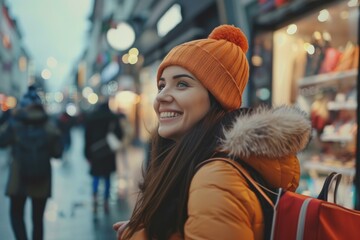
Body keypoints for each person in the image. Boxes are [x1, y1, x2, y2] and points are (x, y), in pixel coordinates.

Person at [113, 24, 312, 240]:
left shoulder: (216, 179)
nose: (161, 97)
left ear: (217, 99)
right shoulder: (194, 162)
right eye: (162, 86)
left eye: (181, 84)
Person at [0, 86, 63, 240]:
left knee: (16, 214)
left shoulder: (15, 124)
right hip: (42, 178)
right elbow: (57, 153)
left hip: (18, 178)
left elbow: (1, 141)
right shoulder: (49, 125)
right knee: (38, 220)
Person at [84, 100, 124, 215]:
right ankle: (106, 201)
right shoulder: (113, 117)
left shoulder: (92, 118)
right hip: (108, 153)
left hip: (95, 152)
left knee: (95, 176)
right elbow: (120, 134)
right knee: (107, 177)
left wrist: (87, 153)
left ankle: (95, 197)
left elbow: (87, 137)